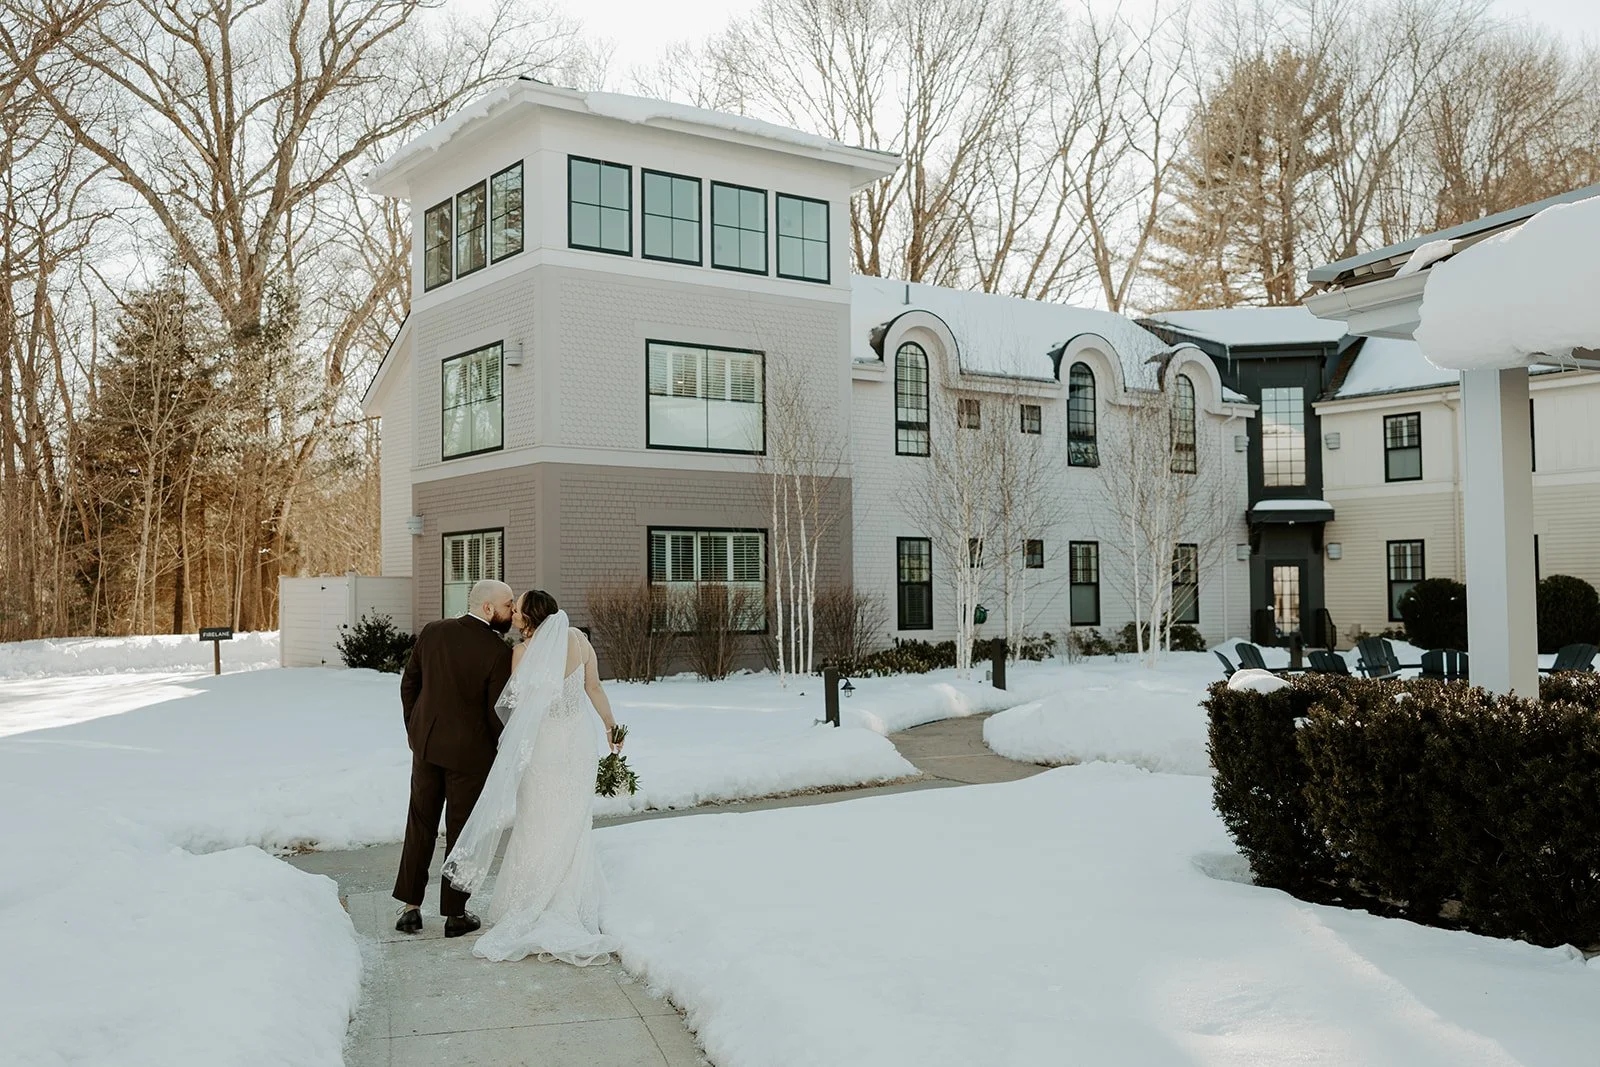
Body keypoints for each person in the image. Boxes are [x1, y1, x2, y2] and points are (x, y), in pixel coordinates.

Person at [442, 588, 626, 964]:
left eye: (518, 609)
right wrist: (611, 726)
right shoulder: (579, 641)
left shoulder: (522, 654)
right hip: (577, 742)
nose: (514, 615)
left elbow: (519, 709)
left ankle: (531, 901)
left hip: (543, 747)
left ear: (528, 618)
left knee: (536, 821)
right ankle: (571, 898)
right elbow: (593, 686)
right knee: (573, 821)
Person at [392, 579, 514, 937]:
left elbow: (409, 684)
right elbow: (496, 713)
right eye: (507, 605)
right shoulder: (497, 651)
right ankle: (455, 916)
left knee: (420, 824)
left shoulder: (433, 632)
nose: (511, 613)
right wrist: (500, 750)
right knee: (463, 833)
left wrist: (416, 730)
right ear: (488, 608)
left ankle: (410, 909)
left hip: (427, 747)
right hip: (471, 755)